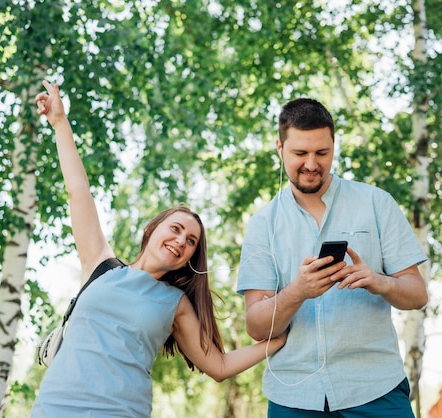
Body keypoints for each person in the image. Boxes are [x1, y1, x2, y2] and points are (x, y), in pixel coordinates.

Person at [31, 80, 286, 417]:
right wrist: (60, 124)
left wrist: (278, 341)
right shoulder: (100, 265)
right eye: (176, 229)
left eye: (191, 242)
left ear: (190, 258)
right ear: (152, 230)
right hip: (54, 408)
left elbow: (219, 365)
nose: (181, 241)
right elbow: (79, 190)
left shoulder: (175, 304)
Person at [236, 98, 428, 417]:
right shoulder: (263, 224)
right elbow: (256, 326)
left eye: (322, 153)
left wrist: (379, 282)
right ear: (279, 147)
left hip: (375, 388)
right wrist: (298, 291)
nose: (312, 164)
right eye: (300, 153)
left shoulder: (377, 203)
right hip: (294, 395)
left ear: (334, 145)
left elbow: (417, 294)